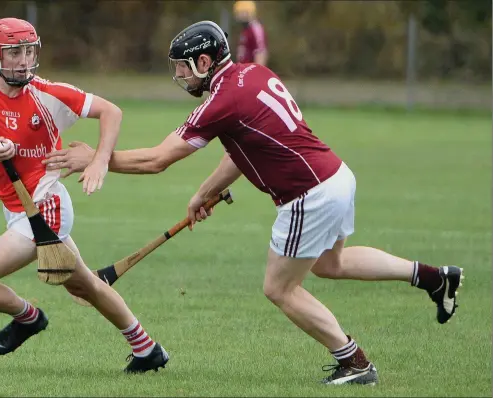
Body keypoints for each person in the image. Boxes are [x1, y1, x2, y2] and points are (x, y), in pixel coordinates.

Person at [42, 20, 464, 385]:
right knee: (330, 264)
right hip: (336, 176)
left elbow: (157, 160)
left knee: (279, 288)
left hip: (308, 195)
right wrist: (203, 193)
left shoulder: (221, 101)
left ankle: (353, 361)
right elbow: (240, 152)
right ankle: (433, 277)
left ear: (204, 63)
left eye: (183, 68)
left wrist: (94, 158)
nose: (181, 77)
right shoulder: (252, 74)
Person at [0, 17, 169, 374]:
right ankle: (147, 349)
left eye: (28, 51)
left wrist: (100, 160)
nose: (23, 60)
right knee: (85, 286)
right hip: (13, 206)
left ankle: (28, 317)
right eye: (13, 52)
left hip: (46, 207)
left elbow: (111, 111)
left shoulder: (49, 94)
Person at [233, 1, 268, 66]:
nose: (238, 16)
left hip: (251, 71)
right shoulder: (246, 29)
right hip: (244, 70)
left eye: (239, 13)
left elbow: (260, 52)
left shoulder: (256, 28)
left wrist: (257, 72)